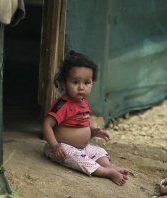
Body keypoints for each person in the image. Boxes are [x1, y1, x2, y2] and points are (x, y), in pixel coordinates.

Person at [42, 51, 129, 186]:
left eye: (86, 82)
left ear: (92, 84)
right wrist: (54, 146)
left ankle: (108, 166)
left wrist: (93, 131)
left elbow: (80, 124)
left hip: (82, 147)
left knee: (99, 151)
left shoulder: (83, 102)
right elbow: (47, 125)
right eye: (75, 82)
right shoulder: (63, 104)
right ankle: (108, 173)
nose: (81, 87)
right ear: (64, 83)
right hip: (62, 148)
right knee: (78, 158)